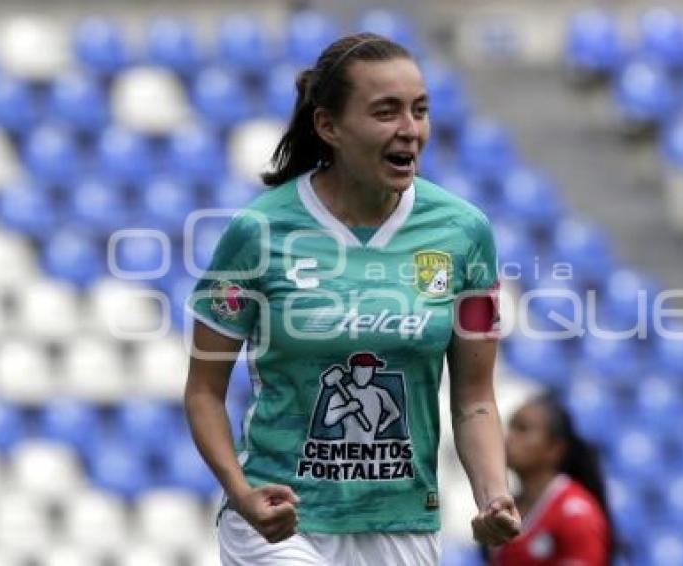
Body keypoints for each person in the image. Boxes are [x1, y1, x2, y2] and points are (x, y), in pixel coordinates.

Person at [183, 32, 520, 565]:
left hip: (402, 522)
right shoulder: (259, 232)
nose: (409, 130)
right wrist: (241, 494)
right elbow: (204, 392)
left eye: (420, 110)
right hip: (282, 518)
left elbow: (475, 398)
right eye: (386, 112)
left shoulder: (463, 232)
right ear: (328, 126)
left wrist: (493, 494)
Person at [490, 392, 614, 566]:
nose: (509, 438)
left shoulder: (576, 514)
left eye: (522, 429)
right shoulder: (504, 509)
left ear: (555, 448)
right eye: (511, 427)